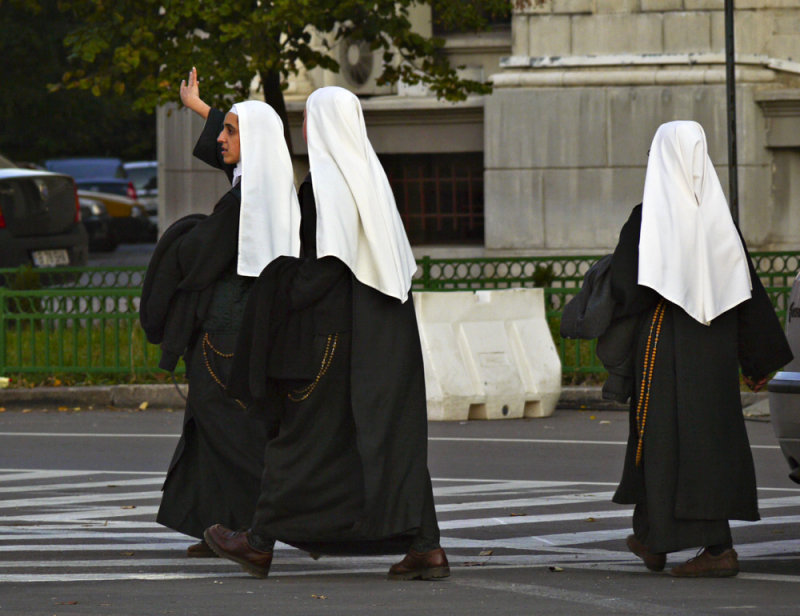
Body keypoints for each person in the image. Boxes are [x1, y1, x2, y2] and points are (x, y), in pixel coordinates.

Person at [203, 86, 449, 581]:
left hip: (333, 341)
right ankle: (425, 546)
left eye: (311, 120)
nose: (307, 130)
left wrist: (278, 283)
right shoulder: (370, 179)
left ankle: (257, 541)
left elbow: (326, 269)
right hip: (382, 338)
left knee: (298, 437)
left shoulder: (327, 186)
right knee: (388, 438)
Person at [607, 121, 792, 577]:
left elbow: (628, 291)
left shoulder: (647, 218)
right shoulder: (719, 223)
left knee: (657, 442)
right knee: (709, 443)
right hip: (713, 354)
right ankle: (658, 540)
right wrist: (758, 358)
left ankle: (707, 548)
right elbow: (747, 291)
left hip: (661, 351)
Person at [140, 67, 301, 557]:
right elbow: (234, 154)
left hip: (224, 339)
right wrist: (200, 107)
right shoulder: (262, 186)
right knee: (211, 430)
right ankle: (218, 526)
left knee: (228, 431)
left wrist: (182, 234)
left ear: (252, 140)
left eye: (231, 130)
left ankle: (263, 528)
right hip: (233, 334)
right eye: (224, 128)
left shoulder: (243, 202)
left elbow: (198, 255)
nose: (222, 138)